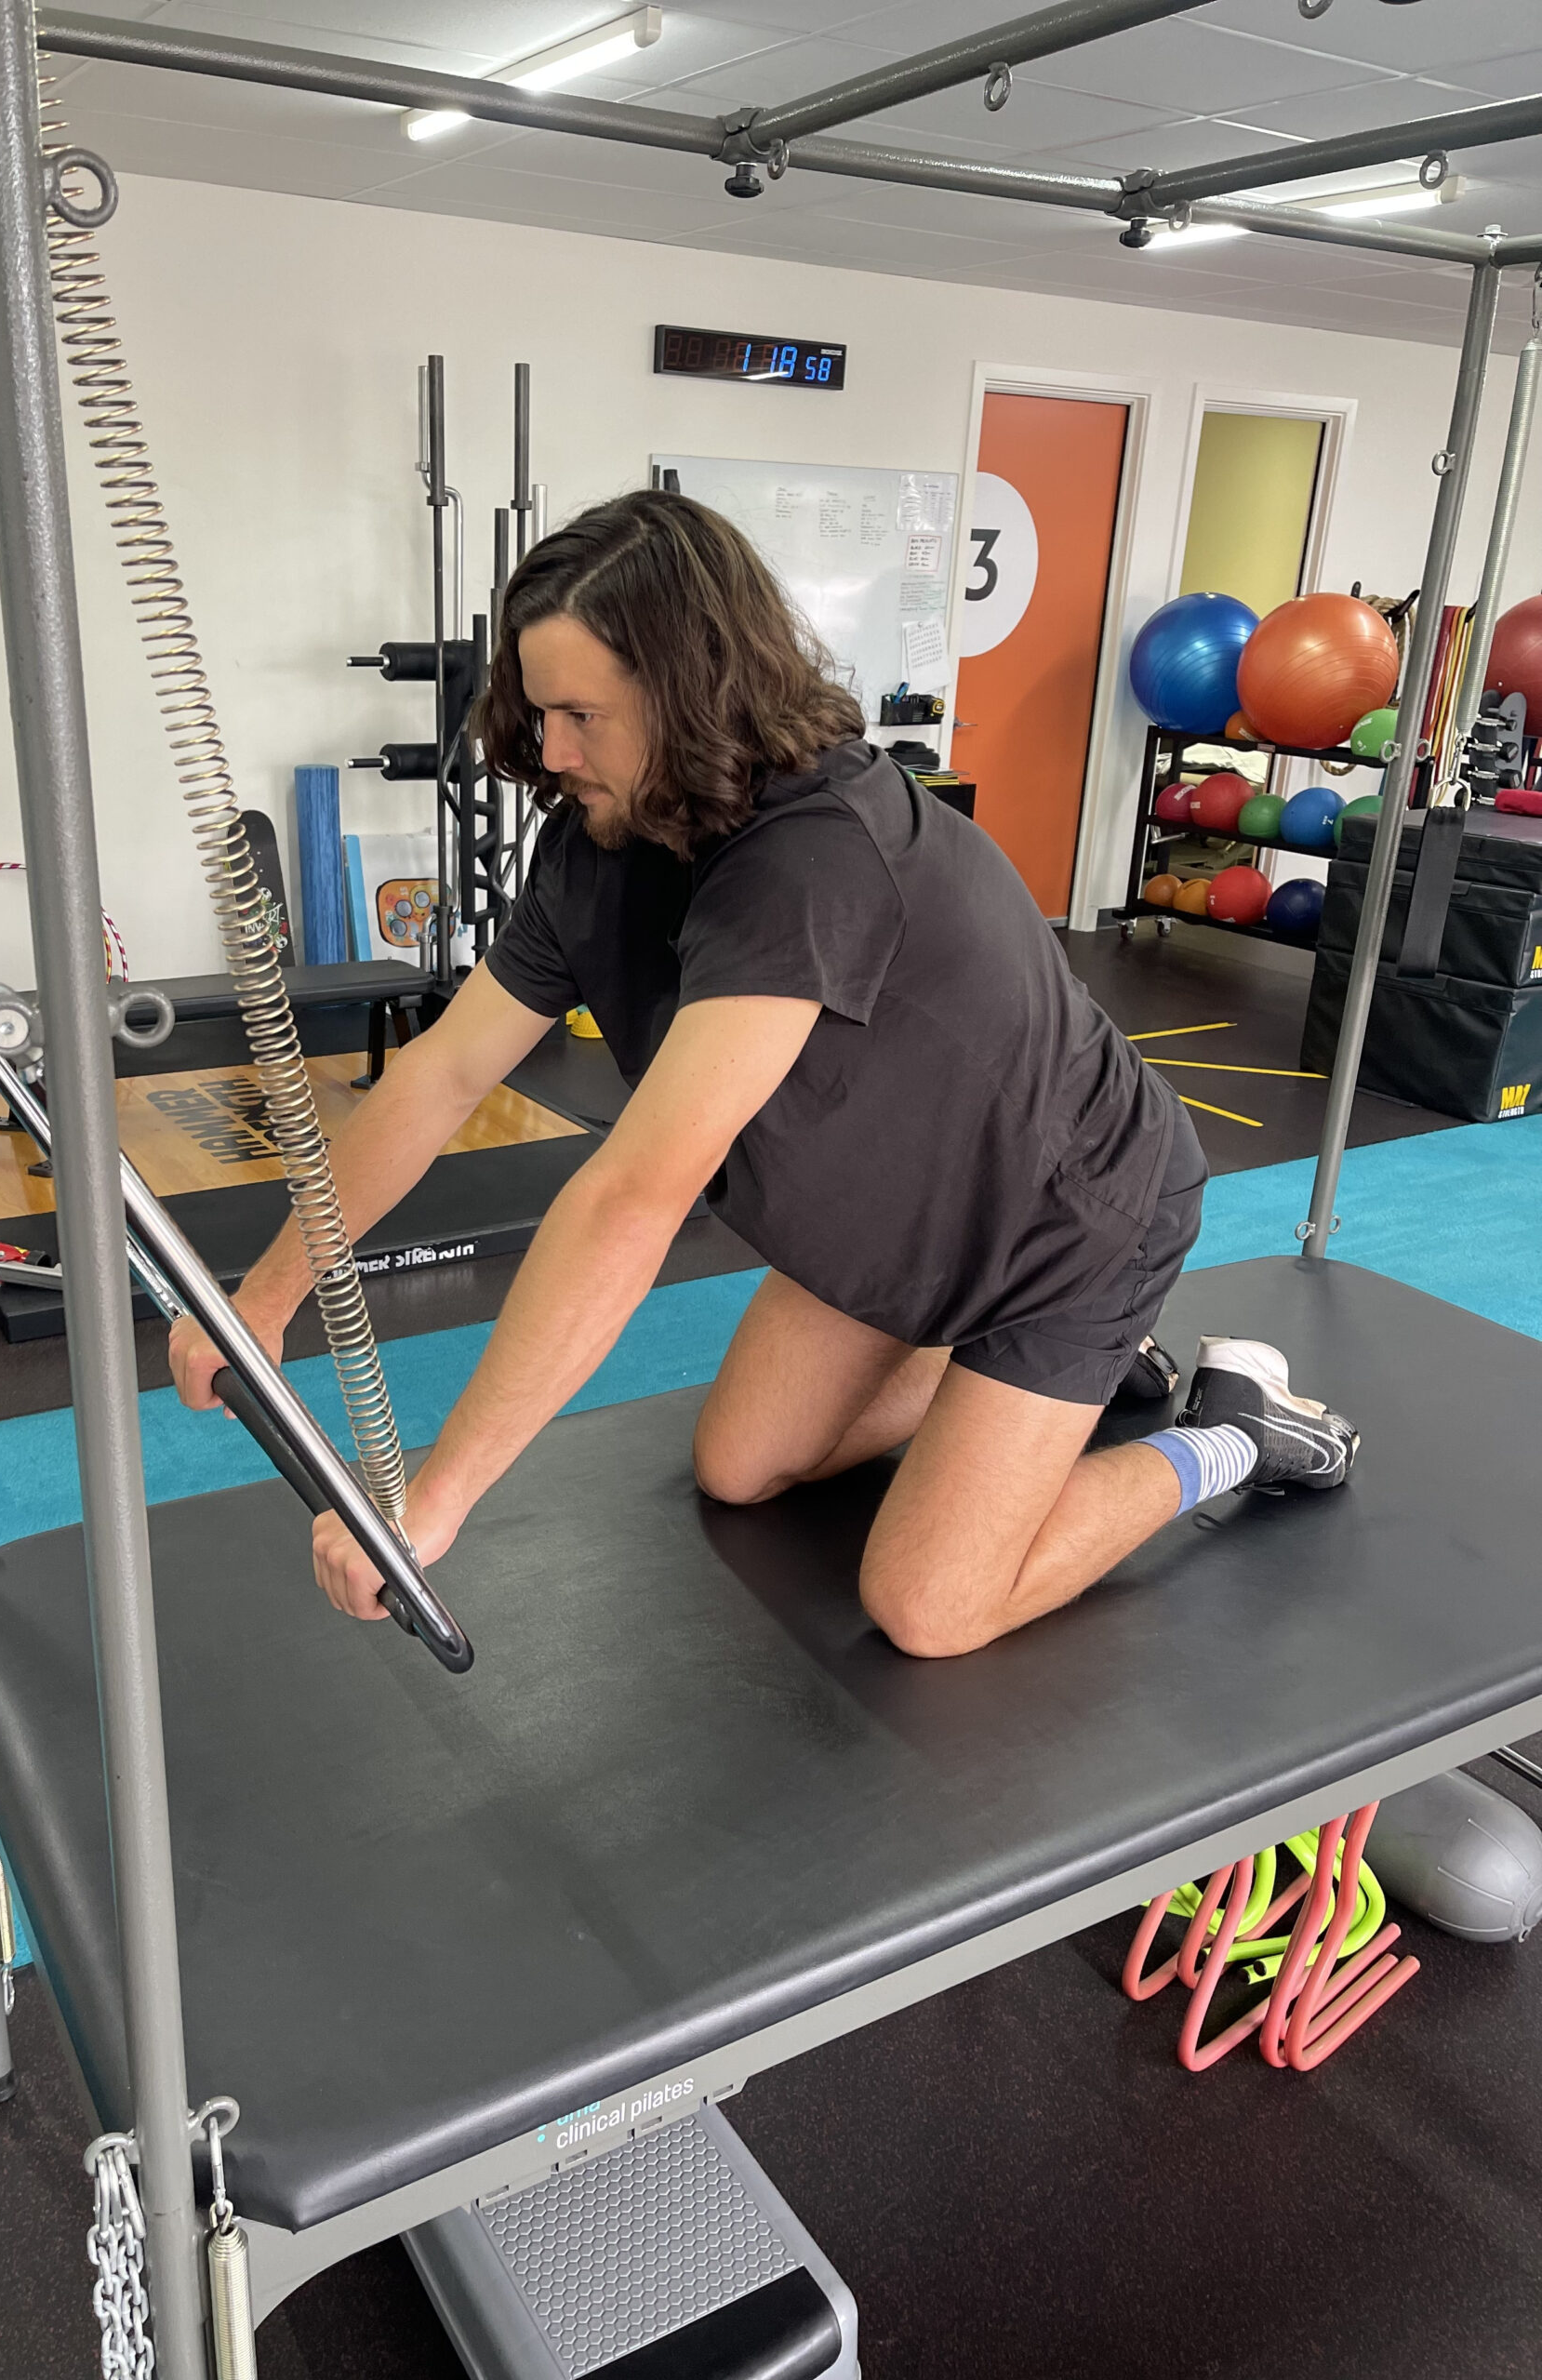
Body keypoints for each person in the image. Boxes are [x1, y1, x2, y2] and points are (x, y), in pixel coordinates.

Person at [170, 491, 1358, 1657]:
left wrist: (438, 1495)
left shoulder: (813, 856)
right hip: (900, 1222)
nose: (553, 752)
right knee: (741, 1469)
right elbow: (441, 1073)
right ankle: (1062, 1386)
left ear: (691, 696)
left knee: (930, 1604)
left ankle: (1231, 1432)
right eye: (542, 714)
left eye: (582, 714)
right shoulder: (597, 840)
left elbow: (634, 1198)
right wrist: (261, 1296)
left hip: (1068, 1223)